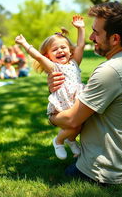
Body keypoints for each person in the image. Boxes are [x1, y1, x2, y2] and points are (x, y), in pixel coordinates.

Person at [48, 1, 122, 185]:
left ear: (115, 39)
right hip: (118, 163)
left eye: (96, 33)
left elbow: (72, 120)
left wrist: (51, 115)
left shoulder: (110, 71)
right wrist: (55, 88)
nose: (91, 36)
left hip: (100, 170)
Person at [15, 15, 85, 160]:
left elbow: (81, 46)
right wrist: (24, 44)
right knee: (73, 125)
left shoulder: (75, 62)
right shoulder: (54, 67)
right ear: (48, 55)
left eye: (63, 47)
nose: (60, 51)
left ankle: (71, 141)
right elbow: (38, 57)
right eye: (55, 50)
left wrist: (81, 29)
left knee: (79, 126)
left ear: (70, 51)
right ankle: (58, 141)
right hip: (63, 103)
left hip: (76, 99)